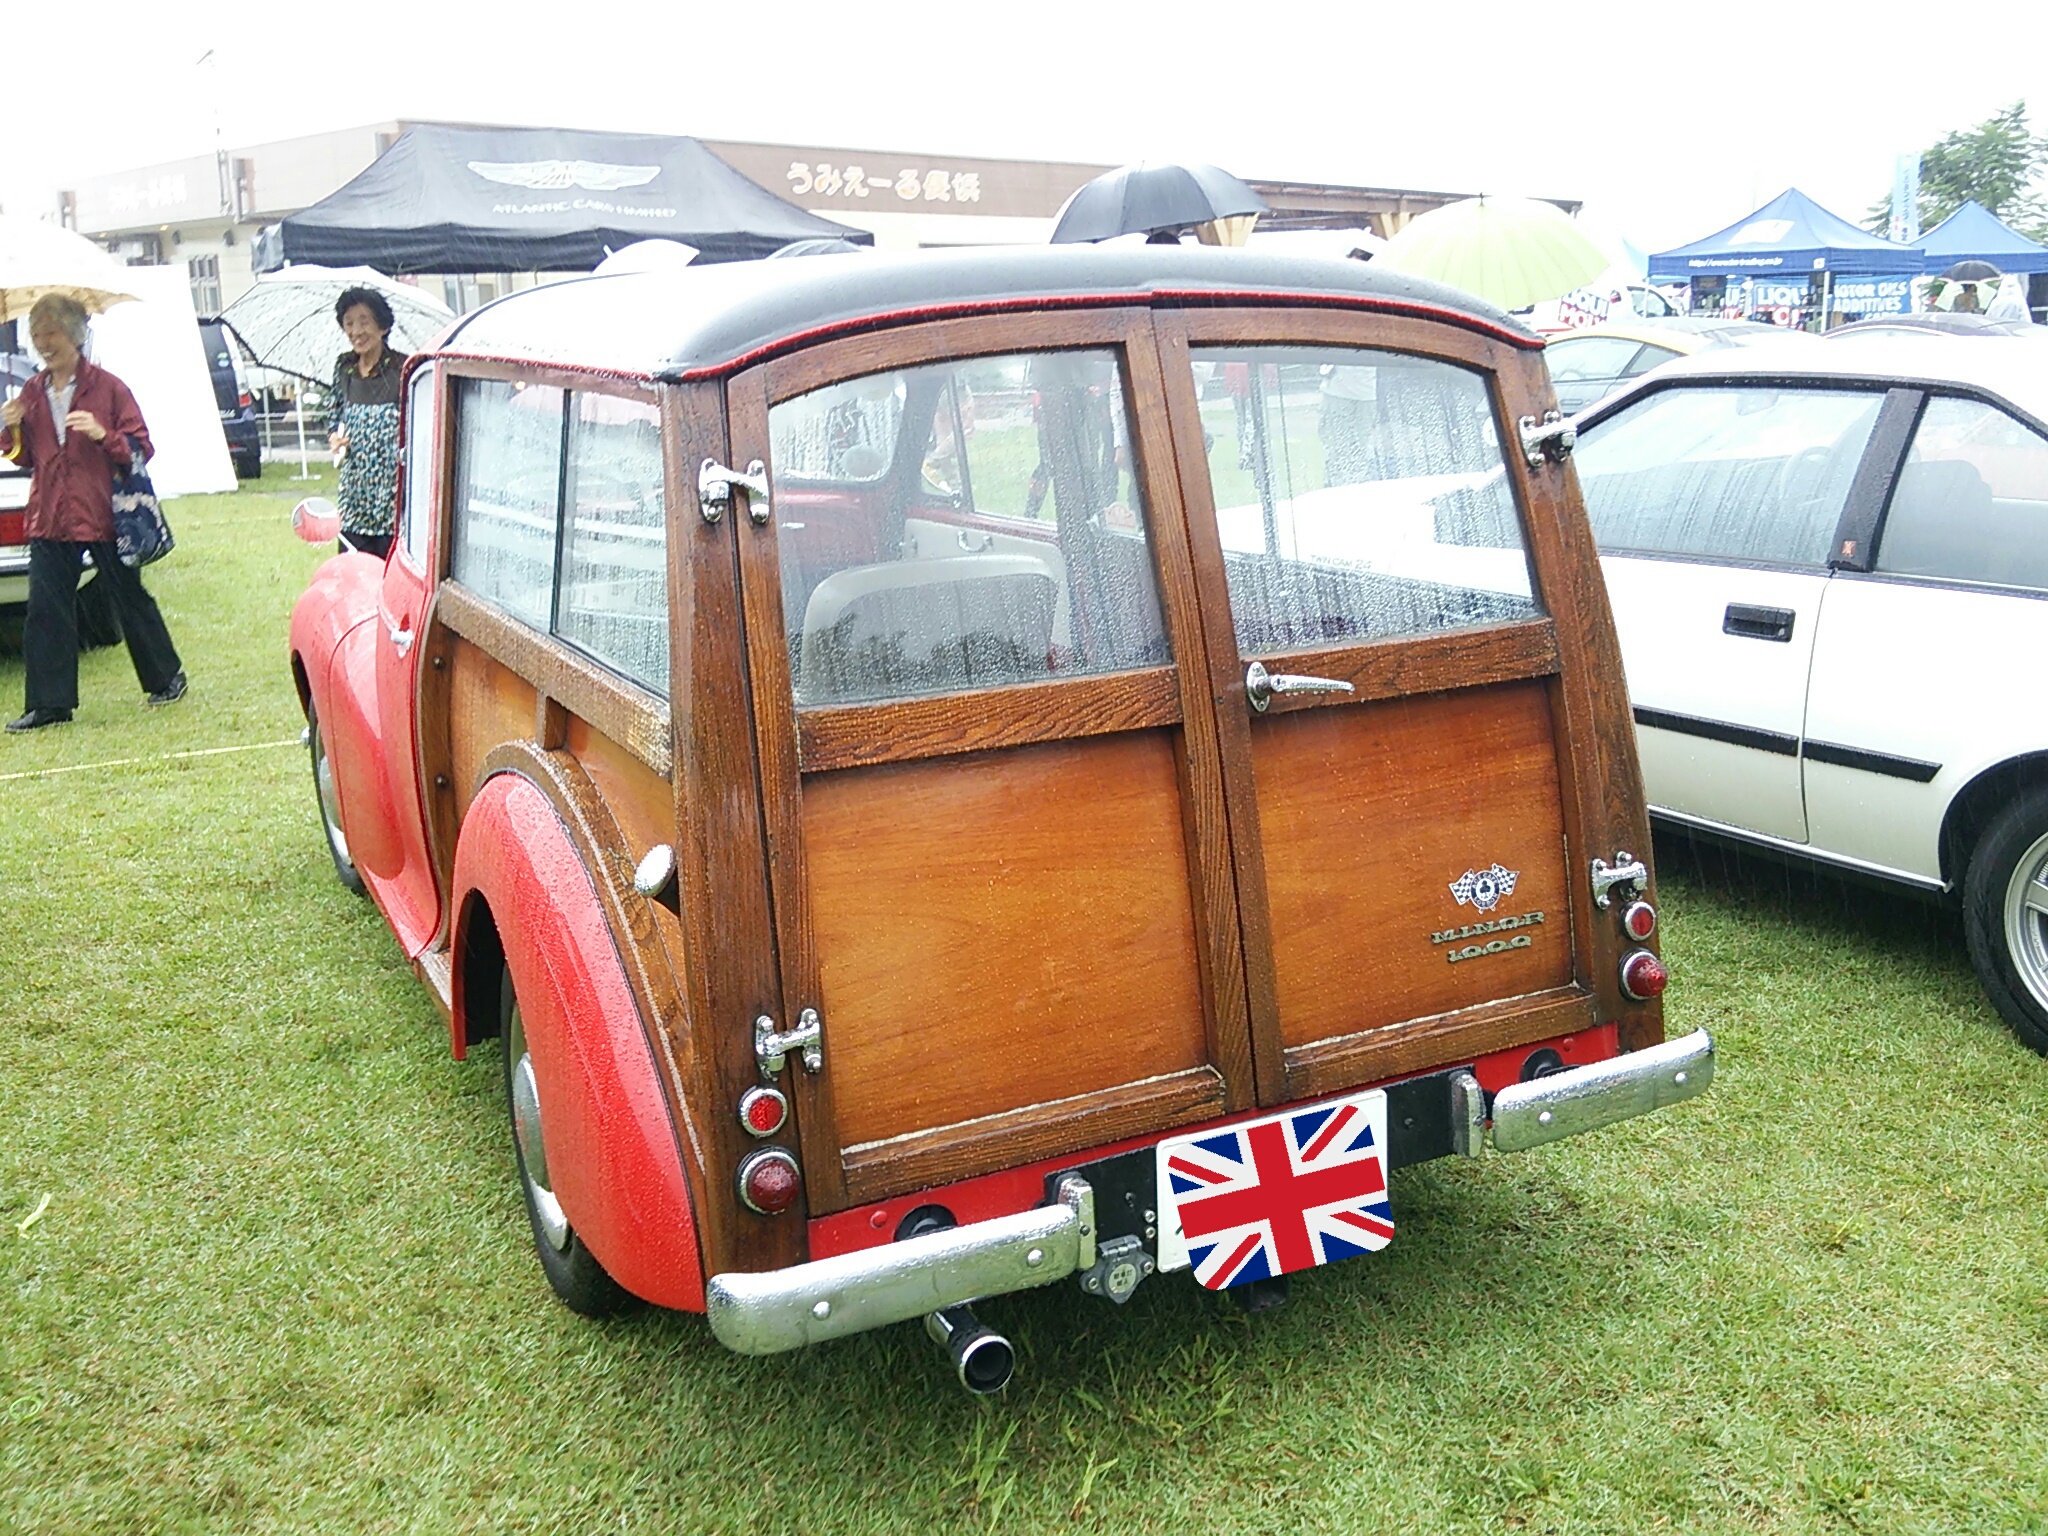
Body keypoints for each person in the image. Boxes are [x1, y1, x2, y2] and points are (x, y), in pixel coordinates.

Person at [1, 296, 185, 732]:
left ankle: (166, 678)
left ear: (75, 335)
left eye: (52, 332)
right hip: (49, 515)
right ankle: (49, 705)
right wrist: (8, 426)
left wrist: (105, 435)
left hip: (104, 513)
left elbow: (142, 447)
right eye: (38, 334)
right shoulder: (32, 391)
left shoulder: (109, 388)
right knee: (45, 609)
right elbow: (23, 457)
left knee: (128, 598)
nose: (44, 343)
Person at [328, 287, 408, 559]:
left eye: (364, 321)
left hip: (392, 493)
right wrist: (334, 438)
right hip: (355, 492)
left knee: (389, 572)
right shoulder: (344, 367)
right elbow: (335, 414)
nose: (356, 331)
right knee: (353, 573)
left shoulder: (403, 368)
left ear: (382, 326)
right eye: (349, 323)